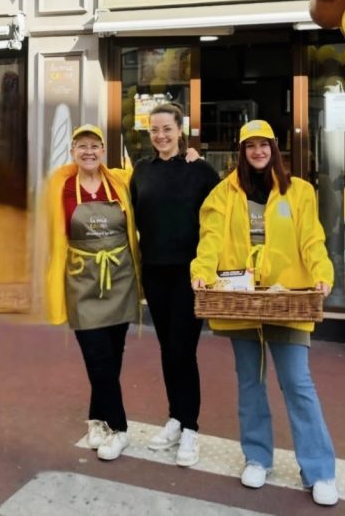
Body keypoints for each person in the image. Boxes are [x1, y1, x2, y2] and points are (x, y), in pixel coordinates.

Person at [191, 120, 339, 507]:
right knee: (250, 383)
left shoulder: (299, 192)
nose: (258, 152)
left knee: (298, 385)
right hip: (241, 302)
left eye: (264, 145)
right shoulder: (223, 194)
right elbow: (210, 239)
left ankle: (319, 470)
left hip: (287, 299)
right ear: (241, 152)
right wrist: (202, 273)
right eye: (250, 146)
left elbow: (312, 239)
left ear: (275, 149)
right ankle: (257, 457)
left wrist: (322, 274)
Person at [130, 103, 219, 467]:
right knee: (168, 349)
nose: (161, 136)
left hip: (188, 273)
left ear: (180, 131)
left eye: (167, 129)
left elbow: (223, 211)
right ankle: (175, 418)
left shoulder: (199, 170)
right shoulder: (140, 171)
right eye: (154, 130)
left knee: (184, 349)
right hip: (154, 270)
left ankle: (191, 429)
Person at [45, 124, 141, 462]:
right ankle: (120, 428)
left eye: (95, 146)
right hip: (82, 279)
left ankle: (98, 421)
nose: (89, 152)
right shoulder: (60, 185)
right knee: (96, 355)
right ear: (72, 151)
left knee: (113, 356)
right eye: (81, 146)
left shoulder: (122, 181)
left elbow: (153, 192)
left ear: (103, 151)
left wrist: (188, 158)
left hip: (119, 277)